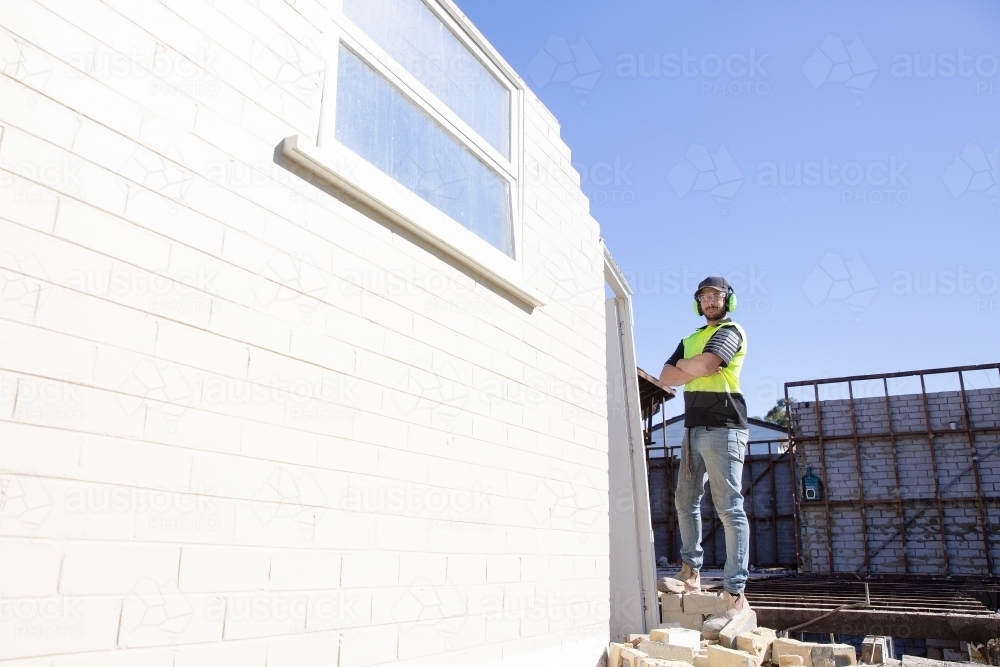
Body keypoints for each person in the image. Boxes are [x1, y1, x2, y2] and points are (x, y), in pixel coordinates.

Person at [657, 276, 751, 633]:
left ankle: (734, 595)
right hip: (693, 428)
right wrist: (690, 366)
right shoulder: (690, 338)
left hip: (725, 427)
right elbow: (666, 376)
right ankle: (690, 572)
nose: (710, 301)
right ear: (698, 303)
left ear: (729, 300)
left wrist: (689, 367)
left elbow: (709, 366)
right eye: (704, 297)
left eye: (716, 295)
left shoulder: (731, 330)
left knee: (728, 507)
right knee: (685, 499)